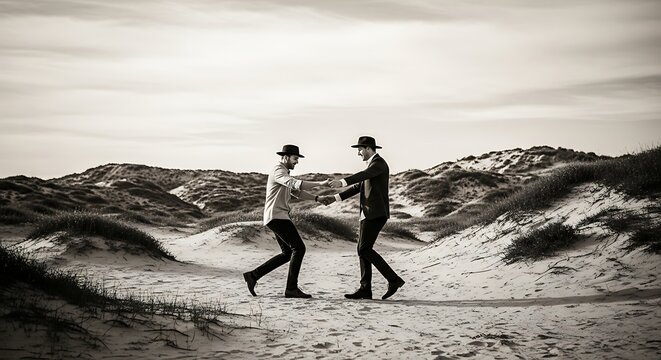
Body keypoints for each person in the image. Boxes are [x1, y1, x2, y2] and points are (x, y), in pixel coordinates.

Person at [320, 136, 405, 300]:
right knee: (362, 250)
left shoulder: (378, 164)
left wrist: (342, 181)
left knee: (363, 249)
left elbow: (362, 176)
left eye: (359, 149)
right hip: (367, 213)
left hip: (375, 213)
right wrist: (335, 198)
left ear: (367, 148)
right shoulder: (372, 166)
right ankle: (365, 289)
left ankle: (393, 279)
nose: (358, 153)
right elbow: (358, 187)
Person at [243, 144, 329, 299]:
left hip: (278, 216)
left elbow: (296, 192)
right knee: (299, 248)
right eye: (295, 158)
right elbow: (294, 183)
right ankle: (291, 289)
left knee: (288, 252)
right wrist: (321, 184)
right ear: (286, 157)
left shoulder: (284, 172)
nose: (297, 162)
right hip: (277, 216)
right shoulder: (278, 171)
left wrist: (317, 198)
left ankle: (253, 276)